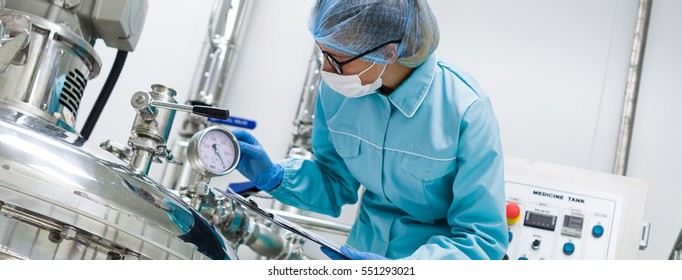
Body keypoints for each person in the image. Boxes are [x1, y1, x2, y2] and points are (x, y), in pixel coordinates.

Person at [233, 0, 508, 260]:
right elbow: (335, 181)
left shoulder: (466, 111)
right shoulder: (338, 91)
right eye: (323, 53)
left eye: (338, 59)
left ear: (388, 53)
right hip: (362, 250)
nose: (327, 70)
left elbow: (481, 238)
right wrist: (276, 177)